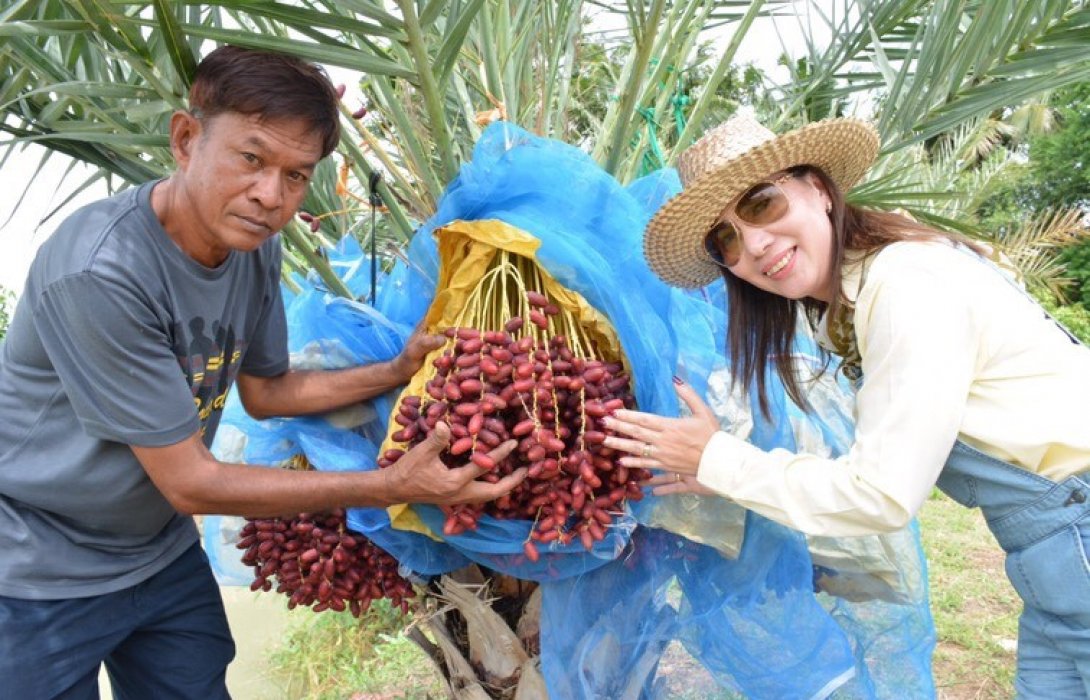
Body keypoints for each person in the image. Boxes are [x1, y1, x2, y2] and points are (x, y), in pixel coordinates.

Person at [0, 45, 524, 698]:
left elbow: (269, 392)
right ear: (186, 139)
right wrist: (389, 483)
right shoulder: (102, 273)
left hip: (155, 554)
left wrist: (396, 369)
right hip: (34, 575)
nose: (270, 195)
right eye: (251, 159)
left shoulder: (252, 247)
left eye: (296, 175)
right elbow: (192, 483)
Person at [604, 113, 1090, 698]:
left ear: (816, 188)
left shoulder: (906, 286)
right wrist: (724, 475)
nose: (754, 243)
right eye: (725, 239)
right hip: (1055, 566)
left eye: (760, 204)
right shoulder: (854, 301)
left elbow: (881, 494)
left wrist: (719, 460)